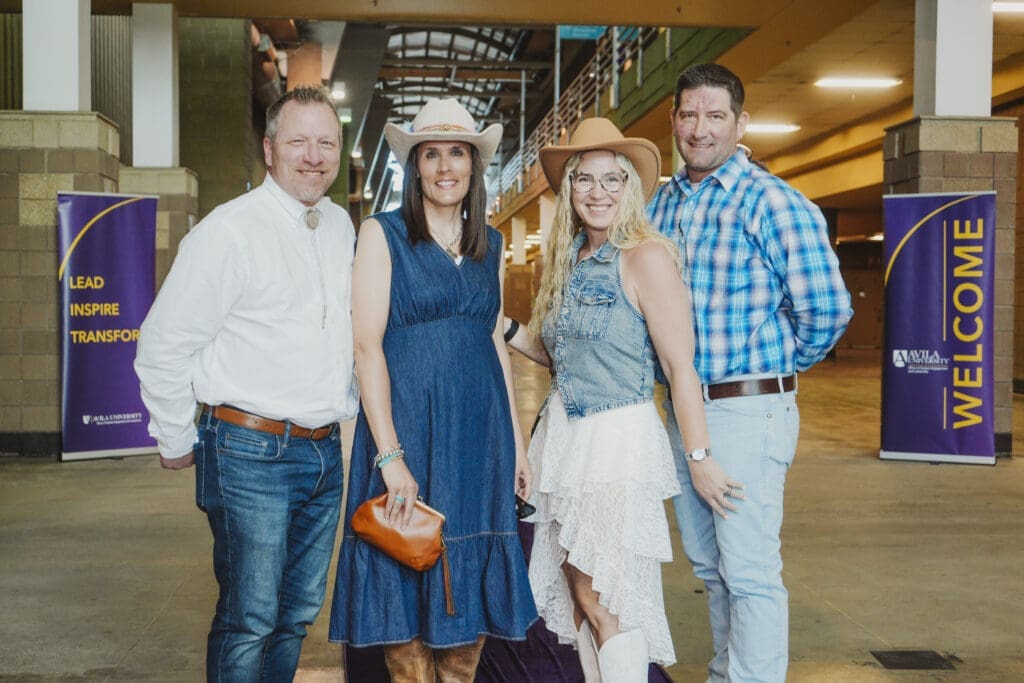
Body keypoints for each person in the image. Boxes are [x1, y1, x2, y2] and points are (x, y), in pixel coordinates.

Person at [134, 86, 358, 680]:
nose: (313, 156)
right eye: (298, 142)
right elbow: (162, 343)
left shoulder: (339, 226)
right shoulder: (227, 232)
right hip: (248, 451)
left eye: (326, 143)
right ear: (269, 149)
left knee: (296, 614)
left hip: (323, 452)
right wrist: (175, 437)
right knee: (250, 617)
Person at [647, 63, 853, 683]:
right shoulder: (660, 202)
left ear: (741, 123)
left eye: (715, 116)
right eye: (689, 115)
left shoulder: (775, 203)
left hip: (745, 412)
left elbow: (827, 310)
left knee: (751, 573)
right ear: (674, 121)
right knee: (709, 569)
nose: (700, 129)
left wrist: (766, 370)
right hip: (682, 411)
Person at [328, 97, 537, 679]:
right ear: (414, 165)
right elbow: (366, 347)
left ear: (474, 165)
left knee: (465, 613)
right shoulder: (382, 234)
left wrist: (516, 445)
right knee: (404, 575)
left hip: (479, 436)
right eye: (432, 154)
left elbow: (494, 342)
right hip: (407, 433)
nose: (446, 166)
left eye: (458, 153)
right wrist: (389, 455)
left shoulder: (490, 244)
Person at [504, 117, 716, 682]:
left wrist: (698, 458)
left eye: (611, 180)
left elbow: (679, 366)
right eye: (585, 180)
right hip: (565, 439)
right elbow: (565, 358)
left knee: (607, 603)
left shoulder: (644, 257)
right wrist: (504, 329)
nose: (598, 193)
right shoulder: (571, 261)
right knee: (581, 600)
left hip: (617, 442)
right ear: (569, 189)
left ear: (630, 189)